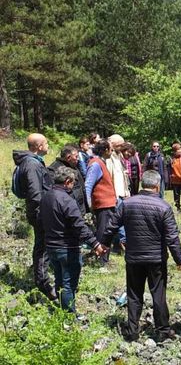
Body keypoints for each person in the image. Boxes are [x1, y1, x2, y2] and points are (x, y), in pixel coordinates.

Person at [100, 170, 181, 342]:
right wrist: (179, 259)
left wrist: (104, 245)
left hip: (134, 257)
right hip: (156, 259)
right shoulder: (164, 207)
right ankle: (163, 330)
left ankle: (132, 331)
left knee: (134, 294)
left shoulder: (126, 204)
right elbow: (172, 237)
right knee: (158, 294)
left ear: (142, 184)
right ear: (157, 185)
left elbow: (111, 226)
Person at [39, 167, 105, 313]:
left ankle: (64, 313)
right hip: (67, 248)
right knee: (69, 284)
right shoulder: (67, 200)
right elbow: (79, 226)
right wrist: (95, 243)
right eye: (73, 183)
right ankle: (69, 317)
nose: (73, 185)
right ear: (67, 182)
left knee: (59, 281)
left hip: (51, 246)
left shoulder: (46, 197)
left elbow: (40, 220)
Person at [12, 133, 55, 300]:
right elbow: (35, 193)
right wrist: (45, 210)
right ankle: (43, 284)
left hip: (39, 210)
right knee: (43, 248)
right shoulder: (32, 164)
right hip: (40, 212)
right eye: (46, 143)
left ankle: (43, 279)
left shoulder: (32, 162)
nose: (48, 145)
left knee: (43, 246)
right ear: (39, 146)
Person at [85, 139, 118, 264]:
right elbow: (88, 185)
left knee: (107, 232)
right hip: (102, 205)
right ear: (105, 150)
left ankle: (104, 259)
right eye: (111, 149)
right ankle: (101, 261)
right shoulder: (95, 164)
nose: (112, 151)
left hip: (107, 204)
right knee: (103, 232)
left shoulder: (100, 162)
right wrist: (89, 206)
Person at [48, 145, 88, 215]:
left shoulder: (73, 166)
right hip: (67, 211)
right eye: (76, 156)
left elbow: (82, 188)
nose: (78, 159)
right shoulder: (54, 170)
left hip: (80, 210)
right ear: (69, 157)